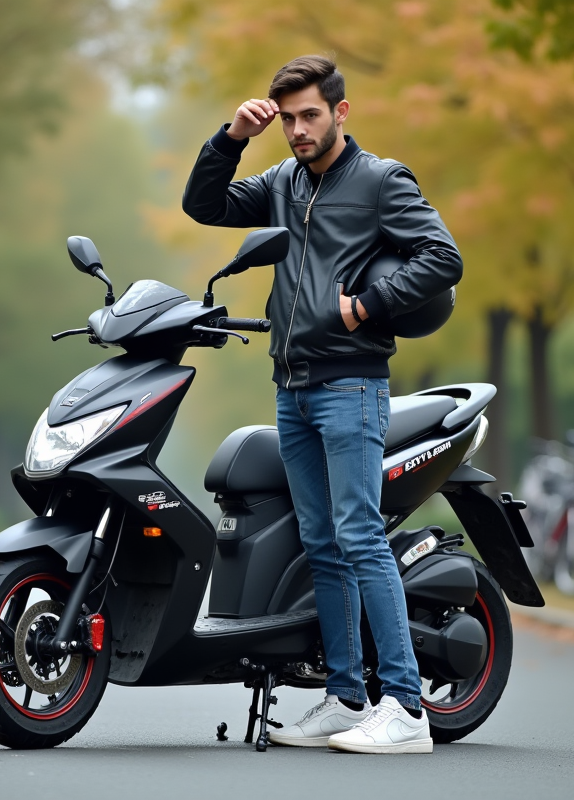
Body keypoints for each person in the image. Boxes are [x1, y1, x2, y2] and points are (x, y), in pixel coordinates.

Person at [182, 55, 463, 754]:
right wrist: (230, 139)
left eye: (311, 115)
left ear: (341, 112)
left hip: (351, 385)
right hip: (294, 389)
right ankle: (344, 698)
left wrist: (367, 305)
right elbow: (204, 206)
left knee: (361, 537)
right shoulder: (281, 182)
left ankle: (405, 710)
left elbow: (442, 256)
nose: (299, 130)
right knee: (325, 547)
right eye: (287, 119)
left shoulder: (379, 180)